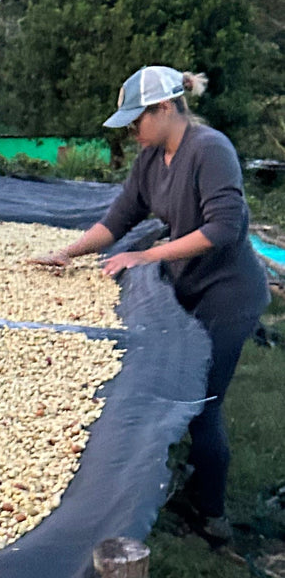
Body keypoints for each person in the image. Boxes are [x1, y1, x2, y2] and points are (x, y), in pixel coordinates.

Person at [33, 66, 269, 544]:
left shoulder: (210, 149)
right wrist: (69, 252)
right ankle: (186, 479)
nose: (132, 133)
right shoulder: (150, 159)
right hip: (187, 287)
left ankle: (212, 514)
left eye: (136, 121)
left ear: (165, 108)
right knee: (179, 389)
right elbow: (118, 219)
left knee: (203, 402)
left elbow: (224, 227)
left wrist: (146, 256)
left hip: (228, 293)